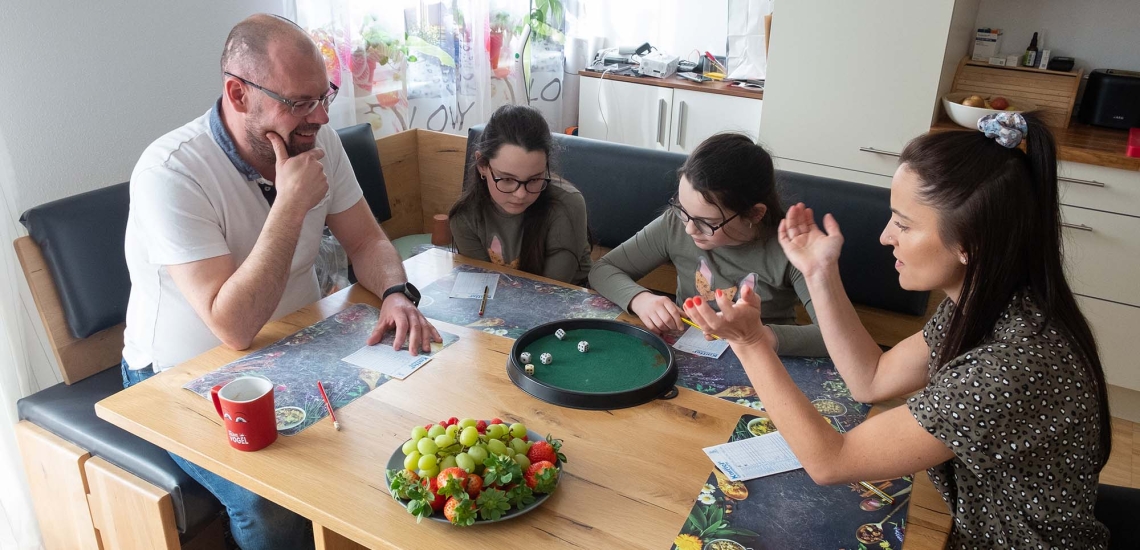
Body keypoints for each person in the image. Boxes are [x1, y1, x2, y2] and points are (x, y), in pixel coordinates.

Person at [683, 113, 1112, 548]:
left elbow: (832, 462)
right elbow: (872, 378)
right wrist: (818, 271)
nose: (886, 236)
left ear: (970, 244)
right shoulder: (986, 303)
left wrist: (752, 342)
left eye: (904, 224)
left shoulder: (1009, 366)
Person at [120, 14, 441, 549]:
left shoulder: (320, 140)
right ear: (238, 94)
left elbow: (366, 242)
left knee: (405, 427)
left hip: (300, 340)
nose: (317, 116)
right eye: (298, 102)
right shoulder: (170, 172)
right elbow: (234, 327)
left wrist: (394, 294)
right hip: (181, 374)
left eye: (324, 96)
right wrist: (290, 204)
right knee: (274, 503)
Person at [590, 133, 826, 357]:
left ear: (755, 214)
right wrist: (640, 299)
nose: (689, 229)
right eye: (682, 209)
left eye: (707, 223)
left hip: (766, 359)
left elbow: (833, 336)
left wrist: (758, 337)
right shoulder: (676, 223)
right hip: (687, 351)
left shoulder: (794, 250)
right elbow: (603, 270)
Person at [448, 104, 592, 285]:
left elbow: (548, 291)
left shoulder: (567, 204)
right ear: (482, 165)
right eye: (507, 179)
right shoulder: (464, 216)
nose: (521, 194)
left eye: (534, 179)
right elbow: (484, 286)